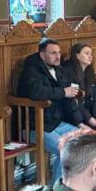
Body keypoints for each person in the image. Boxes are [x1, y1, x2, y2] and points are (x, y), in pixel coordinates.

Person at [16, 38, 89, 183]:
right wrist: (63, 92)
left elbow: (69, 97)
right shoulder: (31, 69)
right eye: (53, 53)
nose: (58, 56)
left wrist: (80, 123)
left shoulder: (59, 69)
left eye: (59, 53)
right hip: (36, 126)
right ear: (42, 55)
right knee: (66, 151)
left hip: (57, 123)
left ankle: (73, 186)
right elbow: (37, 92)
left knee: (87, 141)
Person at [61, 43, 96, 150]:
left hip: (88, 115)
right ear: (77, 55)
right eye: (86, 53)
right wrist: (89, 118)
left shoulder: (89, 71)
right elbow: (75, 101)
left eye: (91, 54)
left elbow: (95, 97)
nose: (90, 56)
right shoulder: (68, 72)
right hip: (74, 116)